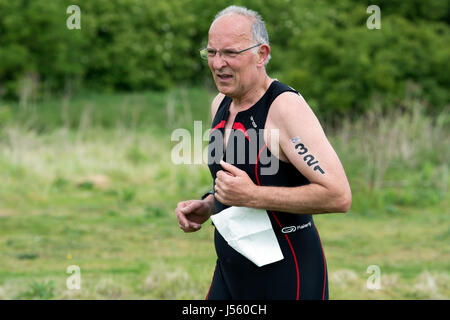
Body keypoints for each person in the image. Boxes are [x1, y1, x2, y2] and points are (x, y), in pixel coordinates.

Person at [174, 5, 352, 300]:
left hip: (288, 277)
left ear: (262, 54)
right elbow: (238, 183)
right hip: (232, 271)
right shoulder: (220, 103)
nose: (219, 64)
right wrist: (209, 204)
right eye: (212, 53)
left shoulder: (284, 108)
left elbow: (338, 195)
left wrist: (252, 196)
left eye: (230, 53)